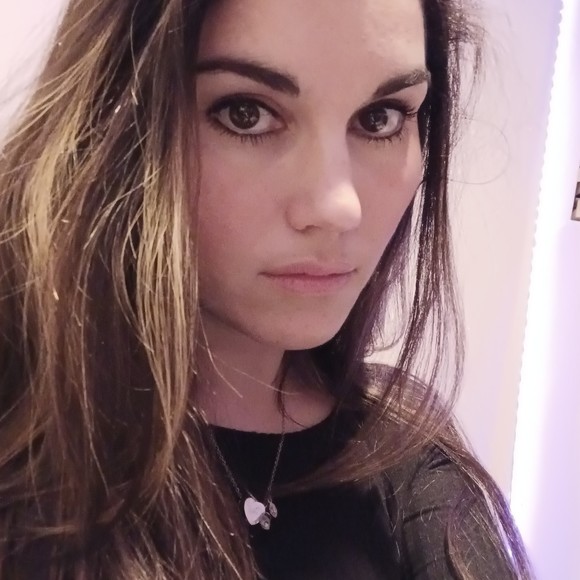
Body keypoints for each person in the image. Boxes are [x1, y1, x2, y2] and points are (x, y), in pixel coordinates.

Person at [0, 0, 534, 578]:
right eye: (246, 113)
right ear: (109, 124)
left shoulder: (412, 472)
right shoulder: (23, 452)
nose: (339, 207)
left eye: (380, 118)